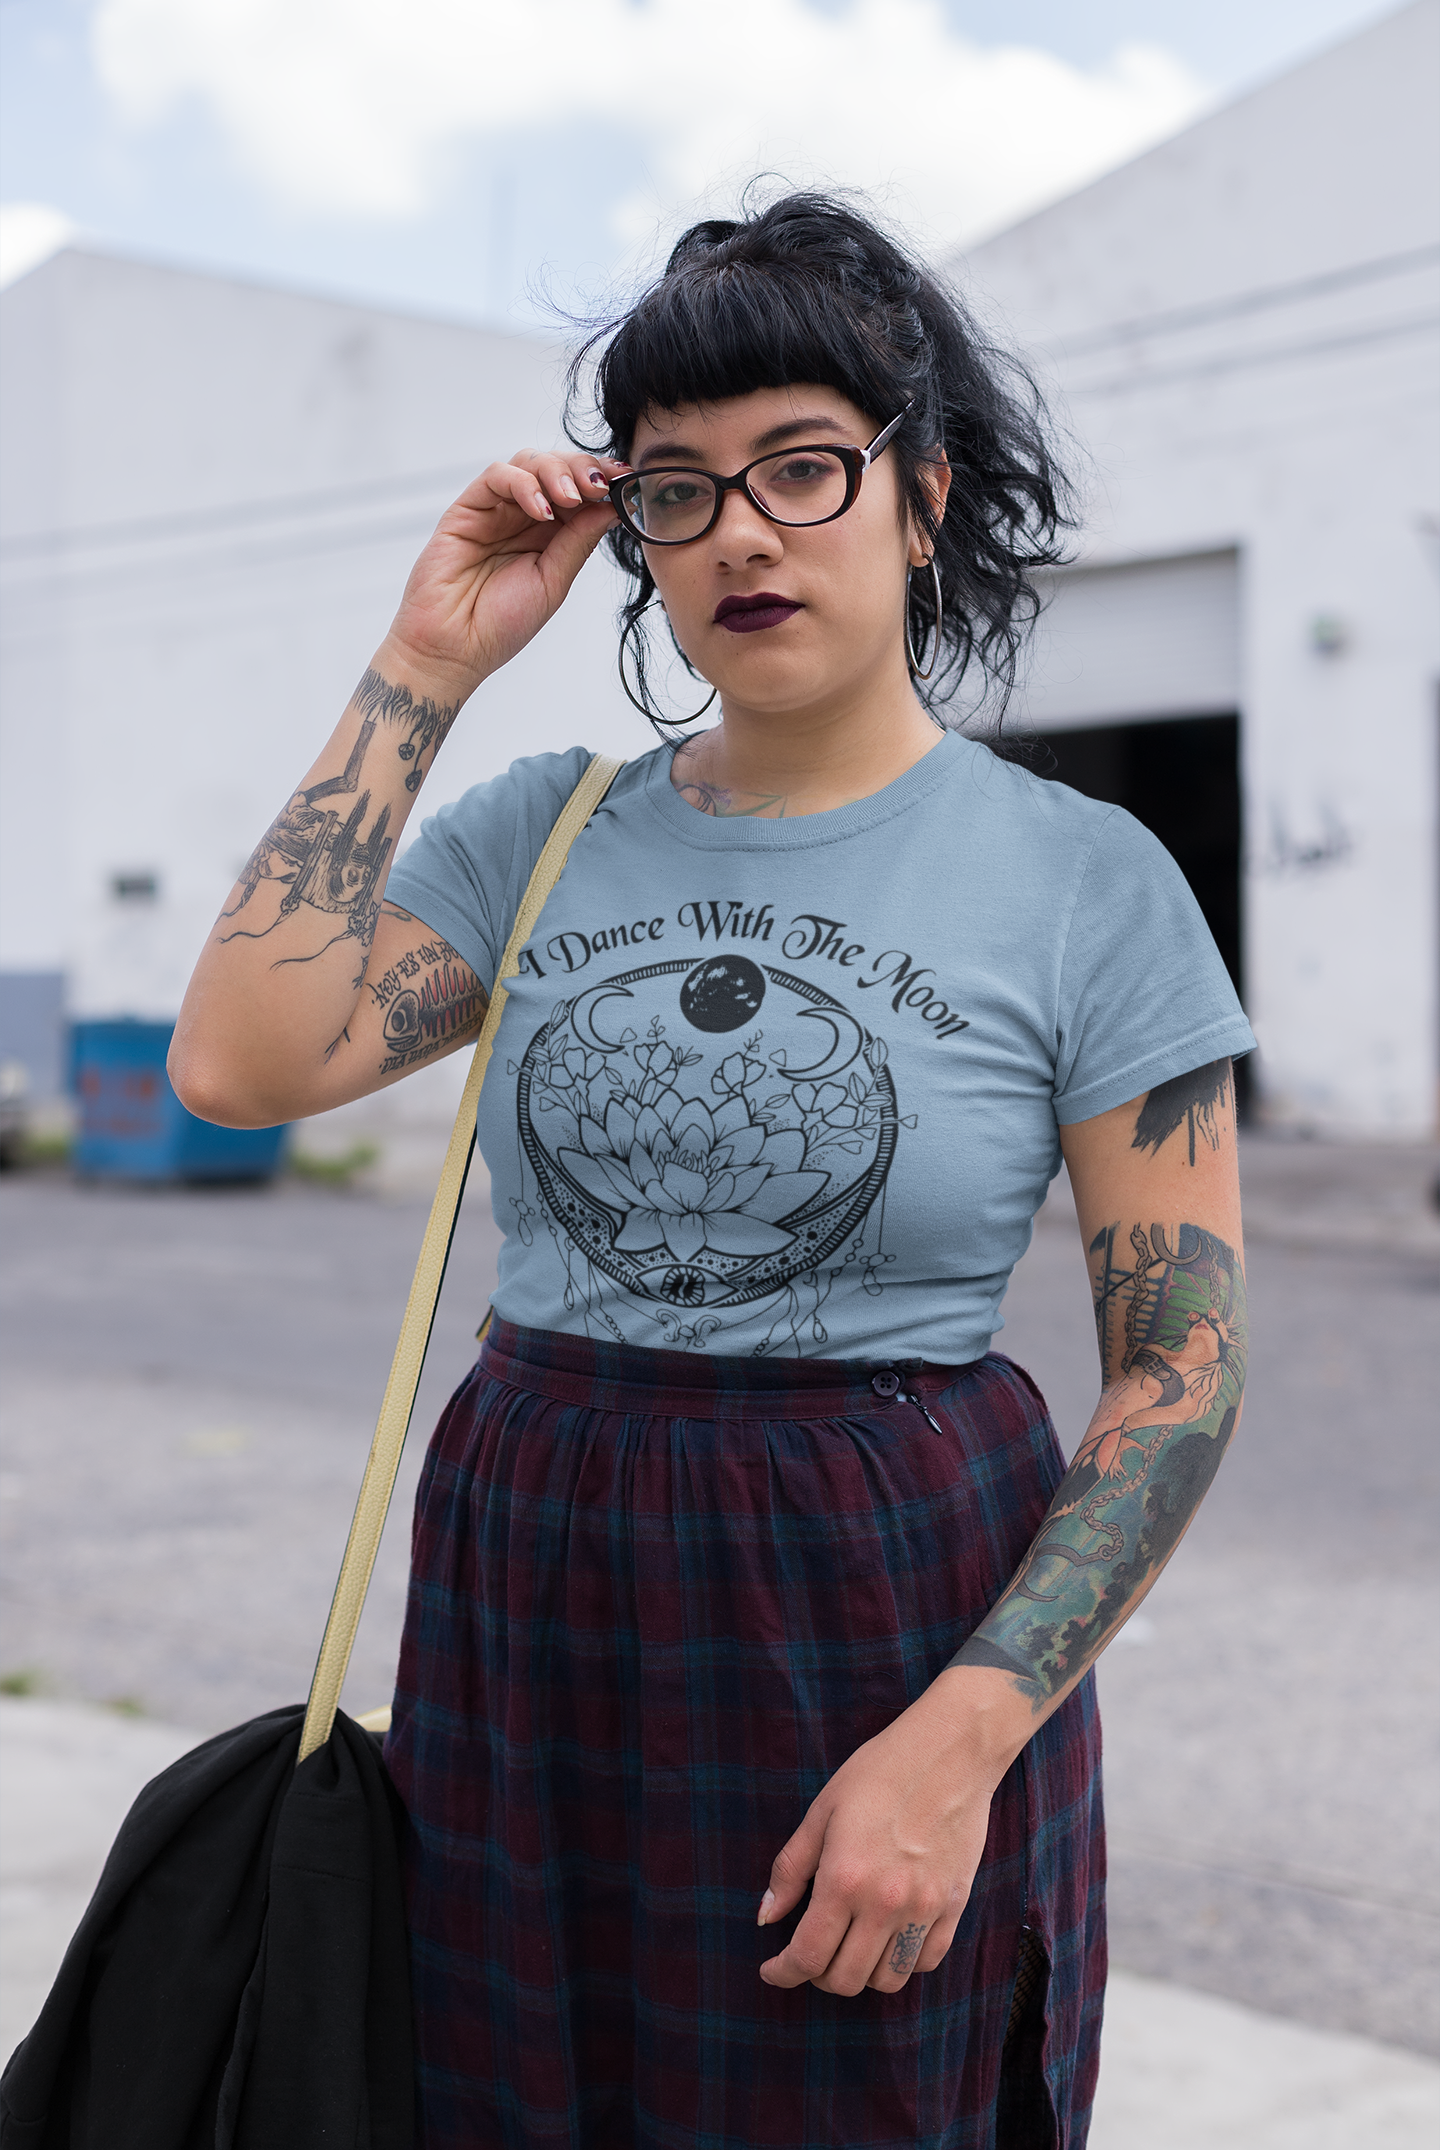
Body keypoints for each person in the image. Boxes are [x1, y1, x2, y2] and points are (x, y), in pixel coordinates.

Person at [171, 191, 1254, 2150]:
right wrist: (426, 660)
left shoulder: (1086, 883)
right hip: (534, 1584)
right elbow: (239, 1063)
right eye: (678, 489)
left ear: (920, 498)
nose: (743, 531)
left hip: (884, 1600)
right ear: (636, 540)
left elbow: (1180, 1369)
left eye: (802, 465)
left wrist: (960, 1743)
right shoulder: (544, 831)